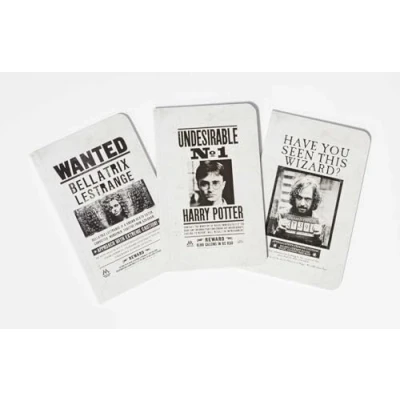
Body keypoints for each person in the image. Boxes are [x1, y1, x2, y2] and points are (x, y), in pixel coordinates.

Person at [271, 176, 326, 246]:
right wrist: (278, 231)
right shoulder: (281, 215)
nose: (302, 203)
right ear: (294, 198)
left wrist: (318, 238)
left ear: (314, 200)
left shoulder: (320, 223)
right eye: (299, 198)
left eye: (307, 199)